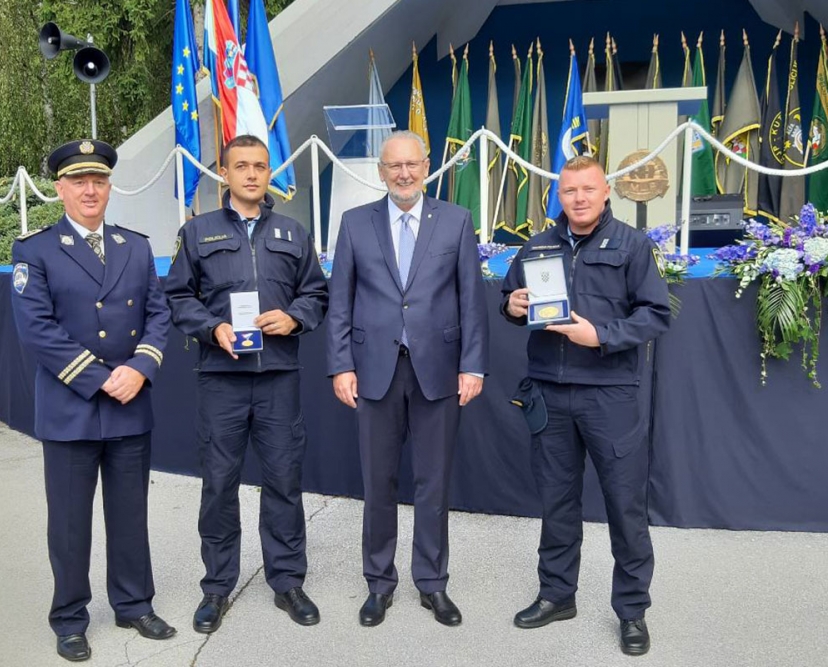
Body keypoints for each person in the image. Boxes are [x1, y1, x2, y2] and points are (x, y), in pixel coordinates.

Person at [10, 139, 174, 662]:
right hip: (71, 407)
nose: (89, 190)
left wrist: (141, 367)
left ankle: (133, 603)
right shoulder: (34, 251)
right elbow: (36, 329)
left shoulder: (137, 246)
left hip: (130, 405)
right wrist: (102, 377)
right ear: (60, 188)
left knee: (130, 515)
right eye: (79, 181)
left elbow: (159, 314)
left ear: (109, 187)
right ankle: (70, 618)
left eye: (98, 181)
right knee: (70, 521)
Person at [500, 156, 671, 656]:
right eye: (569, 190)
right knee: (557, 502)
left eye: (588, 189)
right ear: (560, 194)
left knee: (624, 506)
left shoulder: (633, 246)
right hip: (550, 394)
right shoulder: (538, 245)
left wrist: (602, 335)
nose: (578, 198)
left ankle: (633, 611)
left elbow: (656, 314)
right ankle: (557, 595)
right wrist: (510, 305)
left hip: (609, 394)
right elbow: (511, 299)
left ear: (605, 193)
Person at [165, 134, 329, 633]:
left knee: (283, 481)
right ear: (225, 173)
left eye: (260, 166)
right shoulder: (198, 234)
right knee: (219, 485)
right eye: (242, 166)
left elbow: (317, 293)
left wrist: (295, 318)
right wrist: (212, 328)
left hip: (279, 378)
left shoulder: (293, 233)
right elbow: (177, 296)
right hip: (222, 378)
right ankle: (217, 587)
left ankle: (287, 581)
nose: (253, 174)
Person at [325, 131, 488, 627]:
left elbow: (471, 300)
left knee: (433, 482)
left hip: (438, 371)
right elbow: (340, 305)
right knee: (378, 483)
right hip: (373, 371)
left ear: (426, 166)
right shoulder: (355, 224)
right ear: (381, 171)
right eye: (393, 166)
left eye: (412, 164)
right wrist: (340, 365)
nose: (403, 173)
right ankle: (379, 583)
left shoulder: (456, 222)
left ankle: (432, 583)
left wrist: (473, 364)